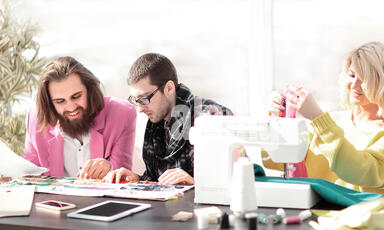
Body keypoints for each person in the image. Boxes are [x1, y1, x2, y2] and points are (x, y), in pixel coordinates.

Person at [266, 41, 384, 196]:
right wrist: (278, 121)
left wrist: (317, 117)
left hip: (361, 217)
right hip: (319, 215)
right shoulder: (332, 122)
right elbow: (277, 161)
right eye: (352, 75)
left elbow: (357, 171)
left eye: (364, 78)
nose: (354, 84)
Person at [104, 53, 233, 185]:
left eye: (144, 99)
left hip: (203, 204)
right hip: (170, 205)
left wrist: (195, 184)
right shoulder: (155, 126)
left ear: (169, 88)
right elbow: (158, 180)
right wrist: (137, 180)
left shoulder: (213, 117)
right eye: (135, 100)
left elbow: (238, 182)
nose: (140, 109)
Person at [22, 56, 137, 179]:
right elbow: (30, 175)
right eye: (60, 101)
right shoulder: (36, 118)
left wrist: (110, 167)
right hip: (55, 198)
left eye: (76, 96)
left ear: (89, 90)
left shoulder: (121, 114)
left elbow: (122, 177)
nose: (71, 107)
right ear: (50, 103)